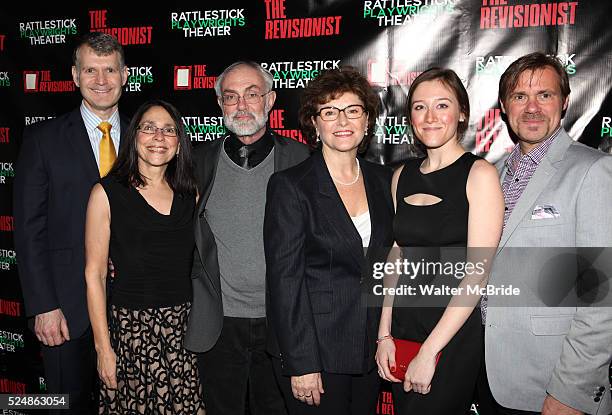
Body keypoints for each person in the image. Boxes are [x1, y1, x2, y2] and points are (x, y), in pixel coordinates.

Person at [482, 52, 612, 415]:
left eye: (545, 95)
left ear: (564, 102)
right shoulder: (489, 174)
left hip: (552, 386)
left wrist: (571, 392)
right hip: (489, 377)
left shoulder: (593, 171)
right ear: (505, 107)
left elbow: (602, 298)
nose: (532, 107)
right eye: (520, 96)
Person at [264, 67, 395, 415]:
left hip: (369, 349)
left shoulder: (384, 181)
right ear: (315, 123)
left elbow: (392, 262)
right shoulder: (291, 186)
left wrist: (385, 337)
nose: (343, 120)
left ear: (367, 120)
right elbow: (284, 280)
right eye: (330, 111)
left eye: (353, 110)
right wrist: (302, 362)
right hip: (317, 352)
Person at [375, 68, 504, 414]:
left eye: (442, 105)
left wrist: (429, 351)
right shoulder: (400, 176)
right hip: (402, 330)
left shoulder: (479, 176)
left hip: (450, 334)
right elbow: (396, 257)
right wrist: (384, 334)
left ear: (462, 112)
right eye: (419, 107)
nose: (430, 117)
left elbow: (476, 275)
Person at [184, 61, 310, 415]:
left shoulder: (301, 160)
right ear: (220, 105)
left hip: (281, 322)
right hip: (219, 324)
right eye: (231, 97)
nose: (241, 105)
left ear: (270, 101)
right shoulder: (198, 162)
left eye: (252, 95)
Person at [13, 32, 128, 414]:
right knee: (66, 406)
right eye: (91, 70)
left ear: (125, 75)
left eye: (109, 69)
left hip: (132, 308)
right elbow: (28, 229)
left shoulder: (145, 138)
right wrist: (43, 305)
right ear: (75, 76)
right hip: (66, 308)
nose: (101, 80)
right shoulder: (42, 139)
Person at [84, 99, 205, 414]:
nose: (158, 137)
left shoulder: (190, 193)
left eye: (169, 130)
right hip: (132, 334)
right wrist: (103, 349)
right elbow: (94, 275)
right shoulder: (106, 194)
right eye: (149, 128)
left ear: (179, 144)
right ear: (134, 137)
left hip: (187, 332)